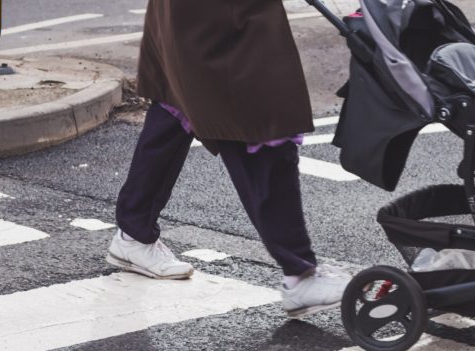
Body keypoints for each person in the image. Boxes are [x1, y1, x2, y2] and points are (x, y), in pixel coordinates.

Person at [106, 0, 351, 318]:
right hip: (224, 16)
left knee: (178, 99)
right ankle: (299, 274)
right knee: (258, 119)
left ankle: (134, 233)